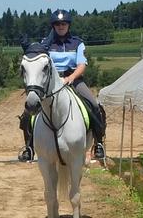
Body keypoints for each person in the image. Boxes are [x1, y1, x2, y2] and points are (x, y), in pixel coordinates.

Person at [18, 9, 107, 162]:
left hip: (73, 79)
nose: (61, 26)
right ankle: (29, 147)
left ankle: (98, 143)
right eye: (58, 24)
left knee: (93, 105)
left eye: (63, 24)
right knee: (28, 113)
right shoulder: (45, 44)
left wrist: (71, 78)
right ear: (53, 26)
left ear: (68, 25)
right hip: (50, 83)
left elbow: (81, 65)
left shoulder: (77, 43)